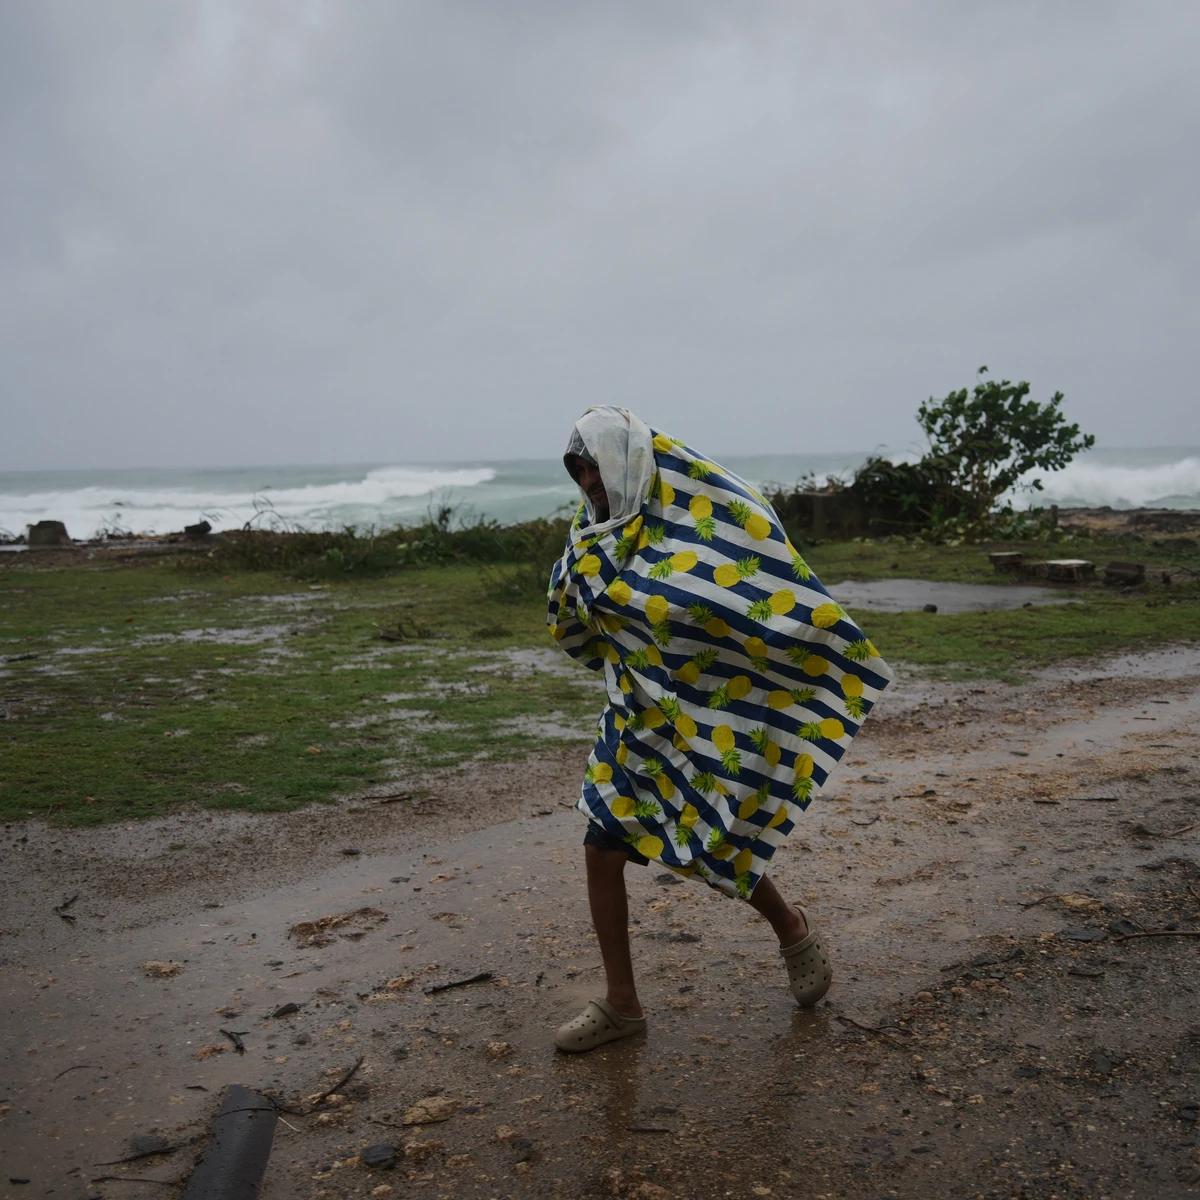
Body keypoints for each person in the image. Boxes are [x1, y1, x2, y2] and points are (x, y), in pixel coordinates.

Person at [547, 406, 894, 1053]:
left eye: (597, 468)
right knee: (601, 847)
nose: (590, 483)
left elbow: (746, 585)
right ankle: (622, 1004)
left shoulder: (695, 522)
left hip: (701, 714)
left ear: (627, 461)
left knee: (714, 837)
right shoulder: (591, 535)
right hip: (633, 715)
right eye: (579, 472)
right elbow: (575, 613)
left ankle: (791, 928)